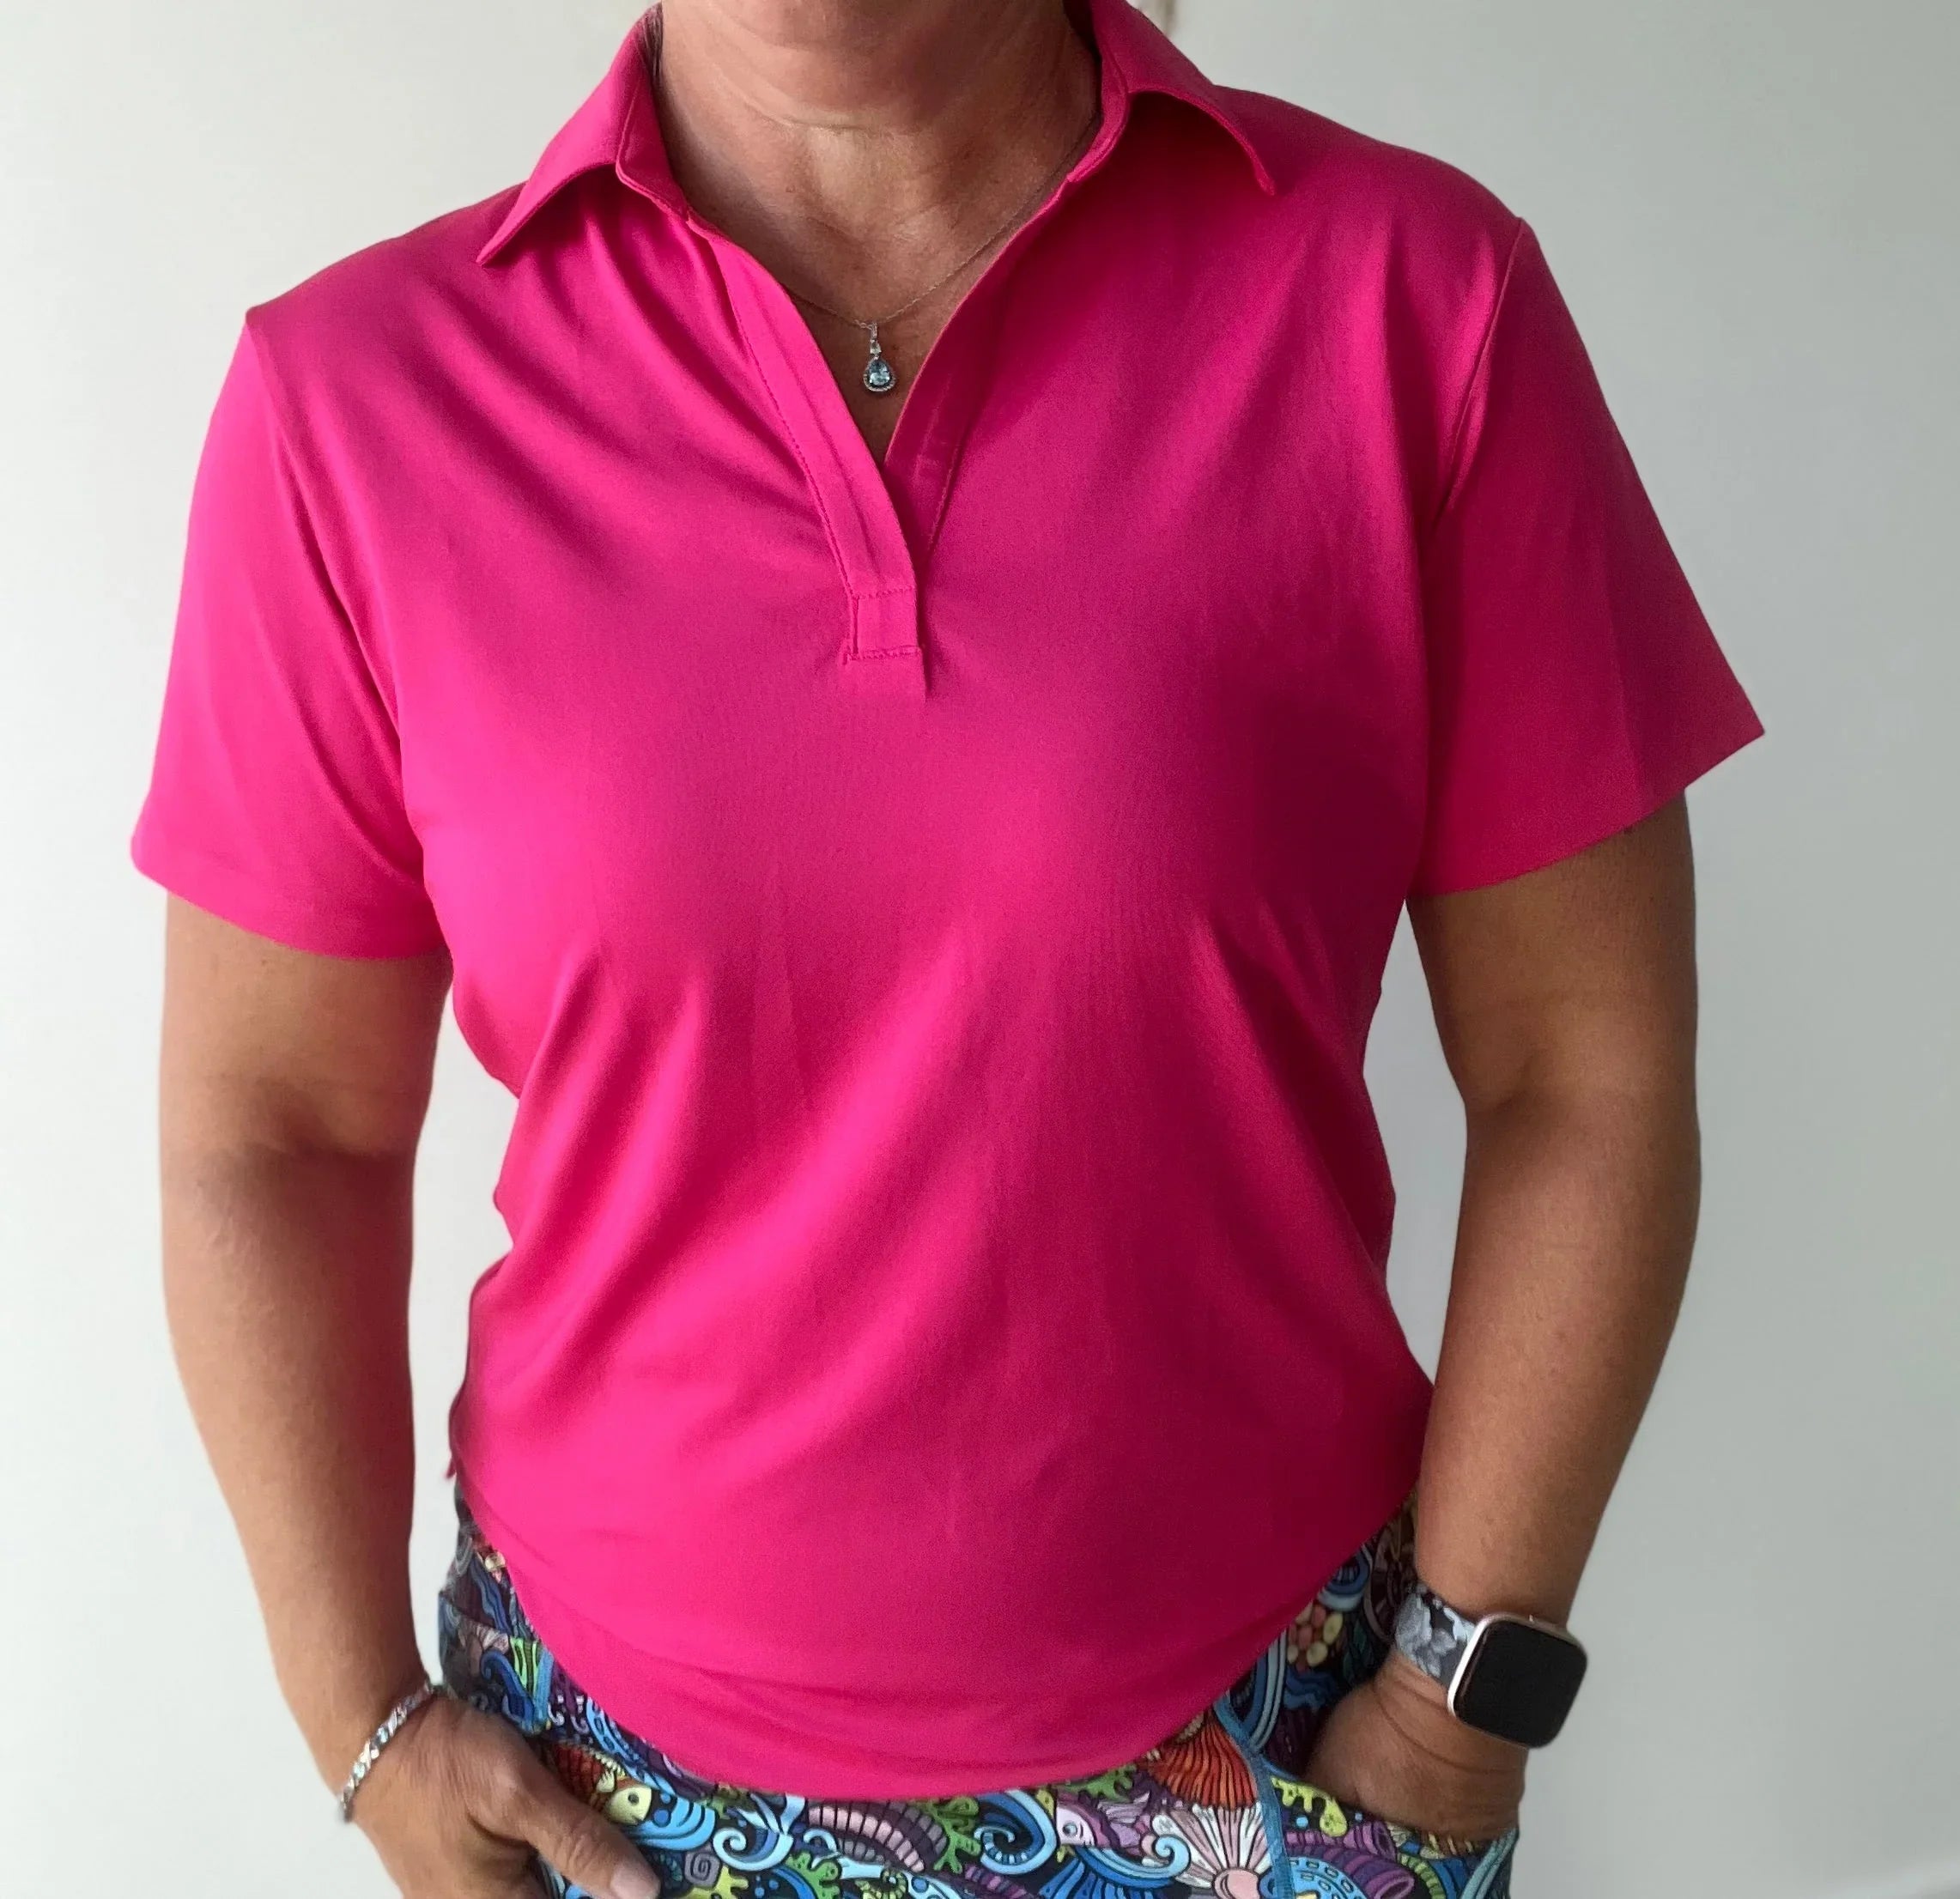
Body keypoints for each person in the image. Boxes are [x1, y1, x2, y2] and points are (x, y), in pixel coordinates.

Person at [128, 0, 1764, 1894]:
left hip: (1291, 1758)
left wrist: (1458, 1699)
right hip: (603, 1796)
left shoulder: (1410, 302)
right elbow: (274, 1127)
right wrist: (366, 1725)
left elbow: (1584, 1067)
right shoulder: (356, 403)